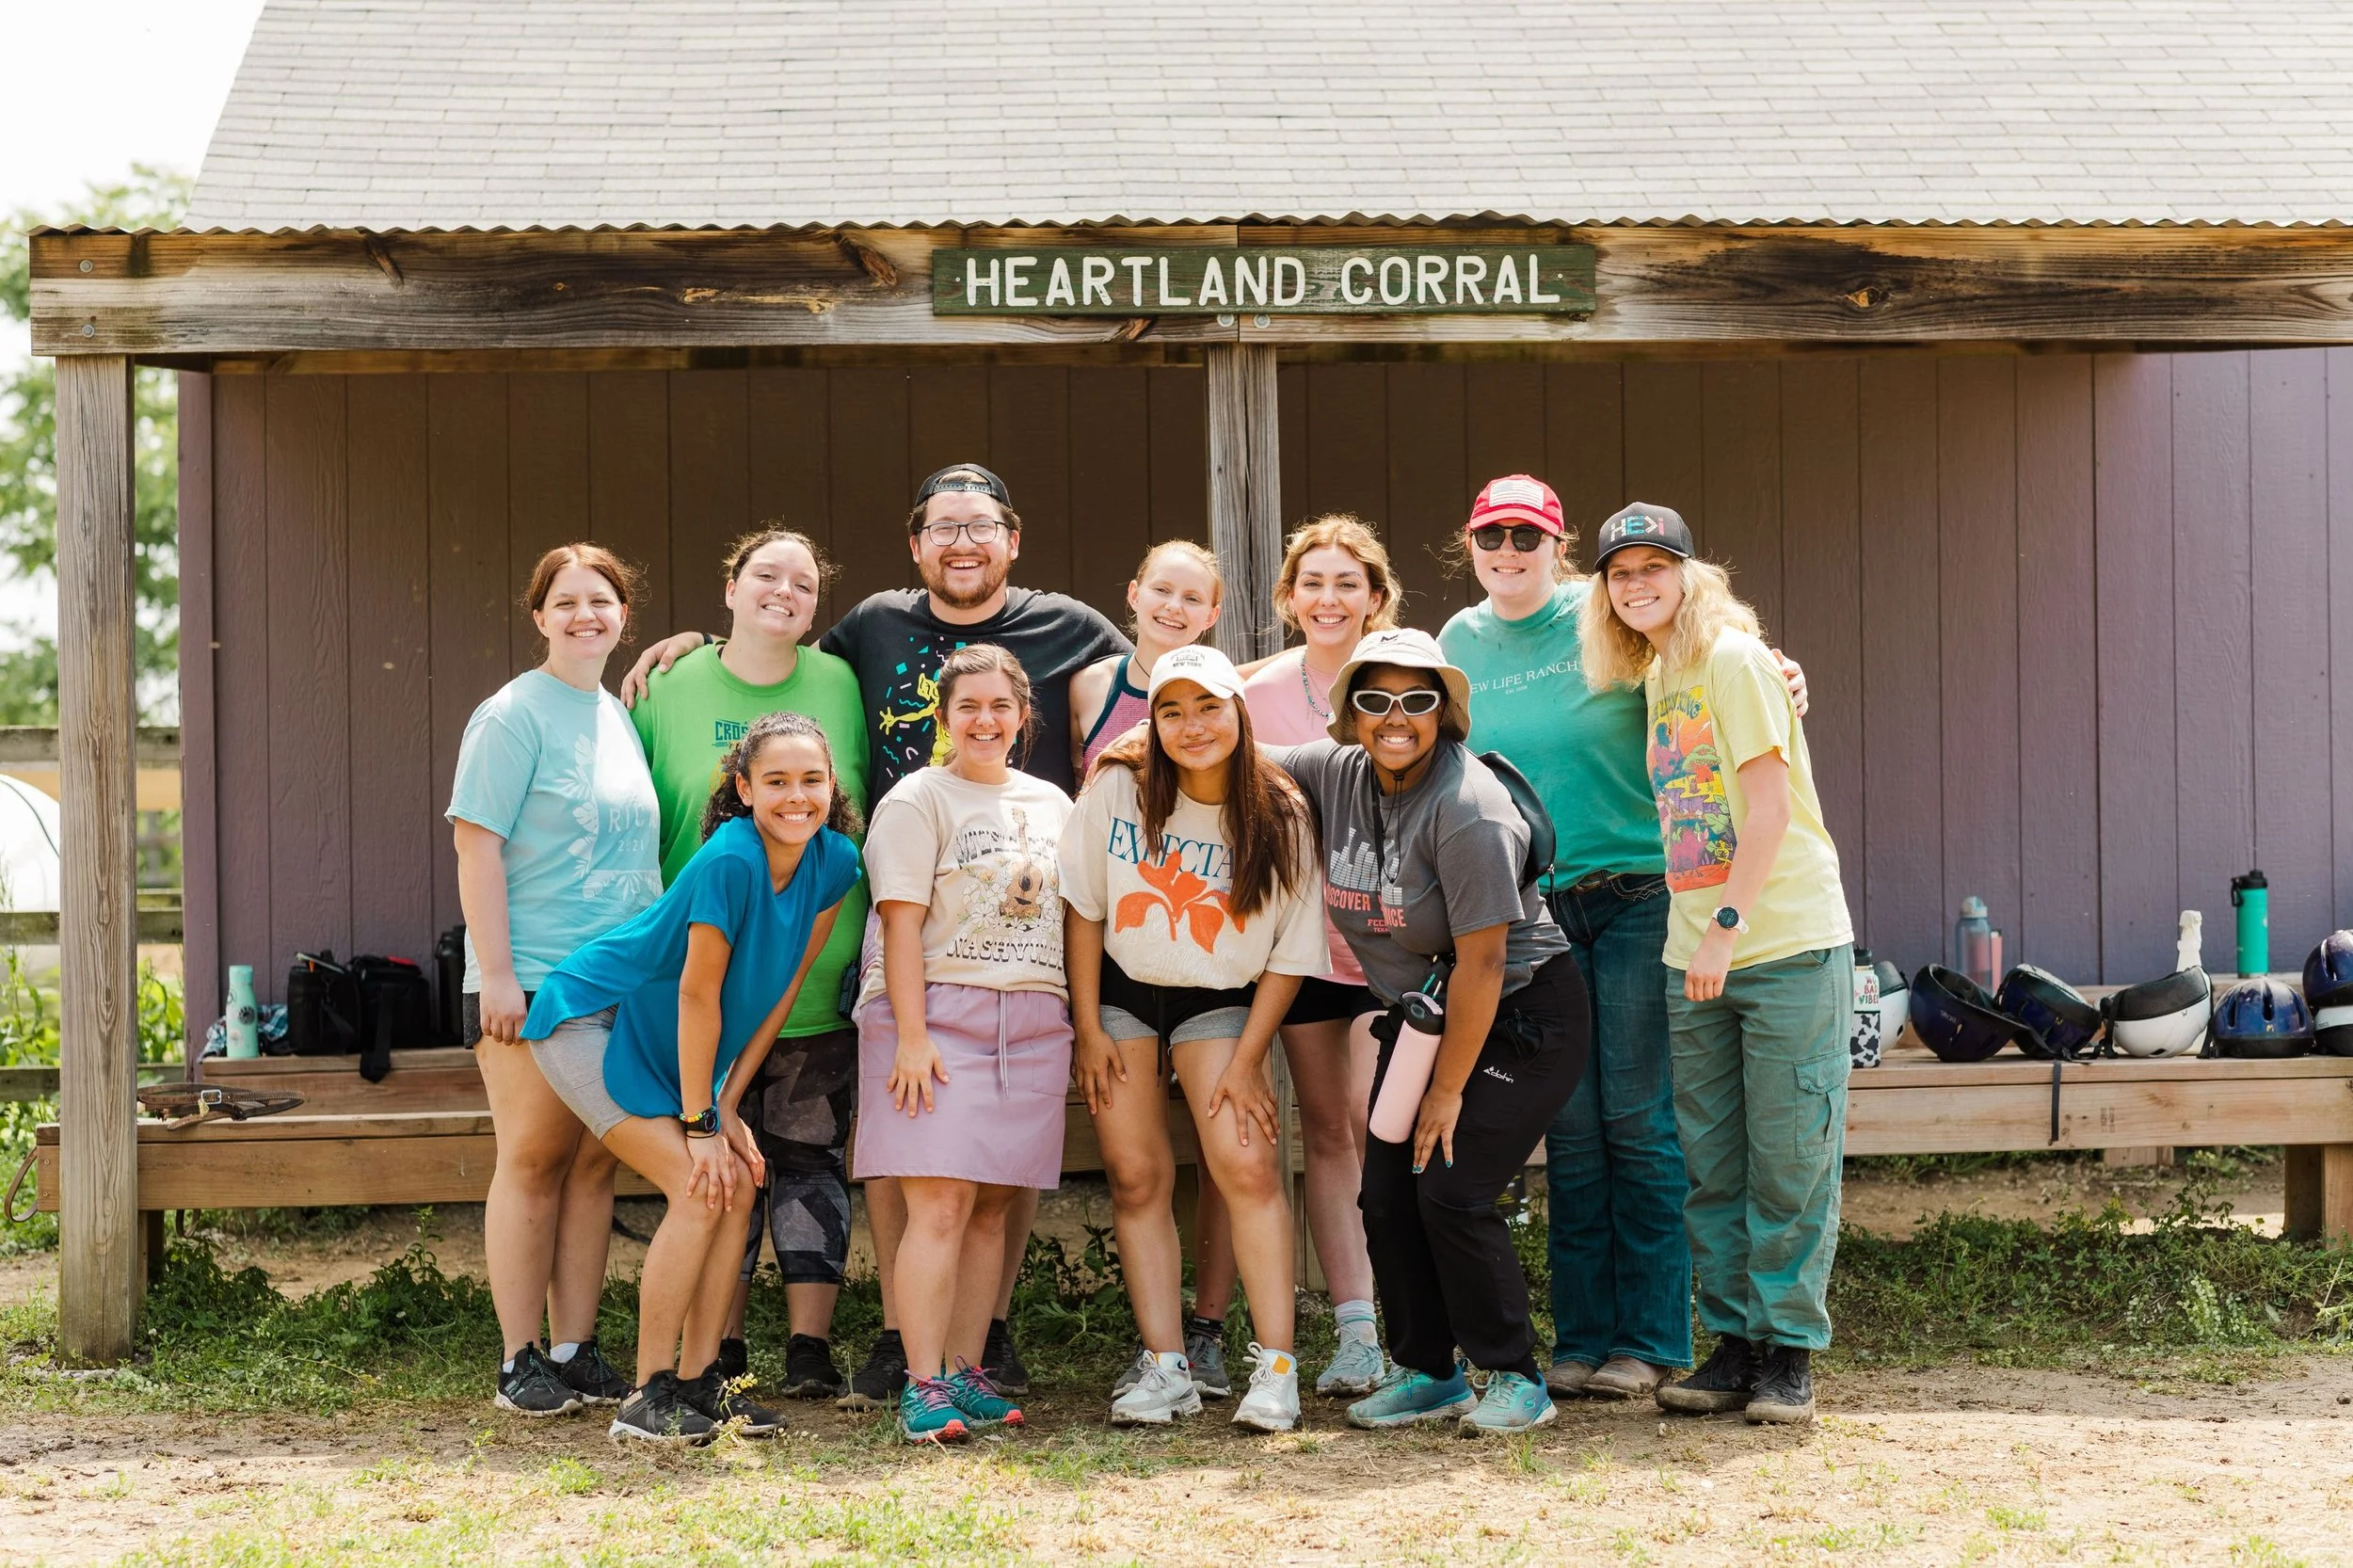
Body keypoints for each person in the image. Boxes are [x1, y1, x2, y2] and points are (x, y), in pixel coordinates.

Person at [625, 462, 1128, 1408]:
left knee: (989, 1186)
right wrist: (691, 642)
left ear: (1012, 540)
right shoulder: (869, 632)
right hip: (906, 962)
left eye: (982, 526)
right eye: (944, 526)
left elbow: (1148, 685)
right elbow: (769, 643)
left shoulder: (1070, 630)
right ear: (916, 545)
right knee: (910, 1170)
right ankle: (909, 1346)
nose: (963, 542)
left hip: (1021, 968)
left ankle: (978, 1344)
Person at [1263, 628, 1590, 1437]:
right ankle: (1430, 1372)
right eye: (1375, 700)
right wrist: (1143, 732)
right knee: (1384, 1194)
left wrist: (1447, 1094)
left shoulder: (1470, 808)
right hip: (1424, 1024)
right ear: (1351, 713)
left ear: (1446, 710)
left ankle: (1515, 1375)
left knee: (1451, 1187)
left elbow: (1483, 964)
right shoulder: (1334, 772)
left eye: (1418, 699)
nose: (1395, 716)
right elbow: (1238, 751)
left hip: (1518, 1015)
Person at [1581, 503, 1854, 1427]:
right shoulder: (1660, 676)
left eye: (1656, 566)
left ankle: (1788, 1356)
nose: (1638, 583)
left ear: (1690, 576)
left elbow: (1769, 812)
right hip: (1695, 952)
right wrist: (1701, 939)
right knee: (1715, 1165)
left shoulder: (1735, 661)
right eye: (1621, 573)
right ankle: (1734, 1344)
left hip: (1778, 943)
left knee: (1789, 1160)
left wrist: (1725, 928)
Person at [520, 712, 863, 1443]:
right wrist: (700, 1121)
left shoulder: (835, 863)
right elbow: (697, 994)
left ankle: (704, 1384)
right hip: (594, 1018)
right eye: (775, 781)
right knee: (698, 1186)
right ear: (742, 788)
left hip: (672, 1037)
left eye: (812, 780)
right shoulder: (729, 862)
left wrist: (729, 1107)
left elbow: (781, 992)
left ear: (832, 787)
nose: (795, 797)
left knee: (738, 1184)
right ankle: (648, 1397)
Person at [629, 525, 870, 1402]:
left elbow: (849, 811)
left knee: (808, 1159)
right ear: (729, 585)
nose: (784, 592)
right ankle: (716, 1351)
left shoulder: (839, 680)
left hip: (814, 980)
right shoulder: (669, 680)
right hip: (709, 979)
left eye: (803, 582)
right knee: (718, 1165)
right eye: (765, 575)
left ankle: (809, 1349)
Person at [1064, 645, 1325, 1432]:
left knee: (1245, 1167)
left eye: (1208, 706)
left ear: (1238, 711)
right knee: (1136, 1176)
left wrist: (1250, 1061)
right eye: (1171, 711)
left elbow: (1292, 951)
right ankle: (1166, 1365)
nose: (1191, 726)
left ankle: (1277, 1371)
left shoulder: (1280, 809)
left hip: (1222, 998)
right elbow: (1082, 906)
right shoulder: (1120, 784)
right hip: (1123, 992)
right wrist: (1085, 1026)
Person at [449, 543, 664, 1419]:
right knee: (534, 1160)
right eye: (566, 602)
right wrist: (497, 973)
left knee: (592, 1167)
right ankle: (518, 1357)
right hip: (535, 976)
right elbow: (476, 844)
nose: (585, 615)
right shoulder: (510, 716)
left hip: (619, 977)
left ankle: (577, 1348)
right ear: (539, 617)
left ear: (623, 616)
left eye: (602, 601)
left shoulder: (617, 714)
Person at [852, 644, 1074, 1443]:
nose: (985, 720)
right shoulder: (917, 800)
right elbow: (899, 923)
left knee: (991, 1208)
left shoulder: (1054, 804)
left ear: (1023, 718)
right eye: (967, 707)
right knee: (940, 1205)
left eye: (1000, 707)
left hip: (1034, 1018)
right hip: (935, 1016)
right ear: (944, 718)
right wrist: (911, 1036)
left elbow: (1075, 917)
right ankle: (920, 1384)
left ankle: (966, 1371)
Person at [1231, 516, 1401, 1399]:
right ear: (1288, 598)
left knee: (1387, 1129)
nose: (1329, 599)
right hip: (1299, 947)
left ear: (1376, 597)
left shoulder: (1406, 678)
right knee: (1330, 1133)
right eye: (1313, 583)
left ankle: (1414, 1323)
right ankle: (1357, 1329)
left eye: (1347, 584)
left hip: (1391, 946)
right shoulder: (1251, 693)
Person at [1070, 539, 1223, 775]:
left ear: (1211, 617)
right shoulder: (1088, 685)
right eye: (1162, 590)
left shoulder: (1227, 695)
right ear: (1134, 595)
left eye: (1192, 598)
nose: (1174, 606)